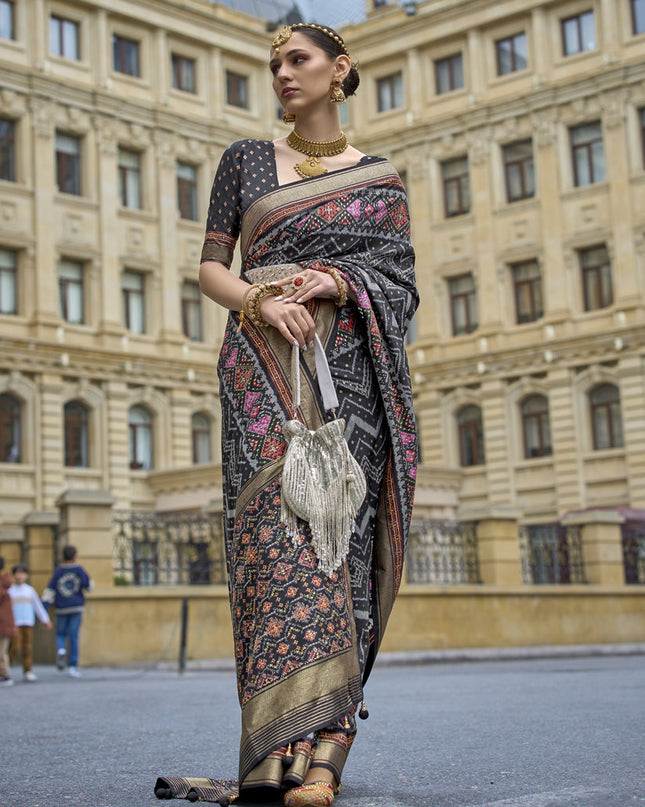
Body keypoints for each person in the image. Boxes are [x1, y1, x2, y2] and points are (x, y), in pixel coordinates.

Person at [159, 22, 418, 807]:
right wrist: (261, 299)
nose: (281, 73)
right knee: (276, 548)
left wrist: (339, 286)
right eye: (273, 62)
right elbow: (211, 265)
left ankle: (325, 759)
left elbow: (399, 285)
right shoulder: (243, 162)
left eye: (297, 59)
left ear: (339, 71)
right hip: (260, 377)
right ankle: (274, 754)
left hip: (352, 391)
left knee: (338, 546)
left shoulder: (382, 179)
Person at [42, 546, 92, 679]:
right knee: (74, 636)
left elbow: (50, 590)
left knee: (60, 634)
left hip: (61, 608)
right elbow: (88, 586)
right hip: (76, 607)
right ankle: (73, 666)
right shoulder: (79, 570)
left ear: (63, 557)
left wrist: (44, 608)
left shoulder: (58, 572)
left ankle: (61, 650)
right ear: (75, 556)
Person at [9, 563, 52, 682]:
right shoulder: (10, 591)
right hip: (15, 623)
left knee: (27, 647)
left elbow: (37, 606)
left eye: (22, 573)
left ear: (26, 575)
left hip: (27, 622)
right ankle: (5, 669)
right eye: (17, 573)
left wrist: (45, 619)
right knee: (14, 647)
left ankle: (27, 670)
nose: (19, 576)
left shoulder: (29, 590)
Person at [0, 556, 17, 687]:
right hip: (5, 623)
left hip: (3, 624)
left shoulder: (2, 585)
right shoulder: (6, 584)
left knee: (1, 650)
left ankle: (5, 674)